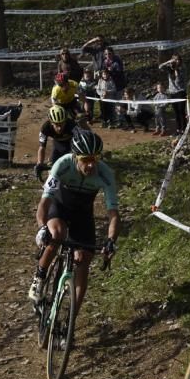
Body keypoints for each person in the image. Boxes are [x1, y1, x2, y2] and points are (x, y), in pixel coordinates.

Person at [29, 130, 119, 312]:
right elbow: (44, 203)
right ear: (75, 156)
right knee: (57, 234)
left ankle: (71, 319)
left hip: (83, 215)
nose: (91, 165)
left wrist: (111, 241)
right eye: (86, 159)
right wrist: (41, 227)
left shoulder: (105, 173)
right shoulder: (62, 165)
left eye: (95, 158)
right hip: (60, 207)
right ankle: (39, 279)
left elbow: (113, 214)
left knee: (84, 260)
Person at [34, 104, 79, 181]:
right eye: (57, 124)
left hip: (71, 146)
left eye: (62, 124)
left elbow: (80, 143)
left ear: (65, 121)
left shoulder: (72, 125)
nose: (59, 128)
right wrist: (39, 164)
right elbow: (42, 147)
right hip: (57, 146)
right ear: (51, 122)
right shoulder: (45, 128)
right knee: (51, 171)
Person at [158, 53, 188, 133]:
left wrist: (176, 70)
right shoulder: (169, 67)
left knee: (181, 111)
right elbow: (160, 67)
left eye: (177, 60)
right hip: (172, 92)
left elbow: (178, 81)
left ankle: (184, 128)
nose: (176, 61)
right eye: (175, 60)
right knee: (176, 112)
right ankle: (178, 129)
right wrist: (168, 62)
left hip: (181, 91)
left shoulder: (182, 68)